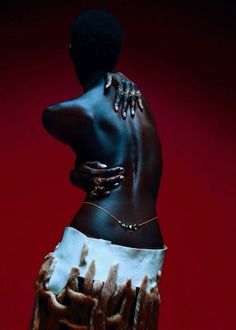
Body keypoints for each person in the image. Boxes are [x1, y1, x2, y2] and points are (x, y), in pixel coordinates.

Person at [31, 9, 167, 330]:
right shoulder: (140, 104)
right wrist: (79, 172)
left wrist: (76, 173)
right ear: (116, 55)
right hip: (145, 257)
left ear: (72, 51)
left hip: (92, 249)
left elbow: (68, 125)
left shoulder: (66, 114)